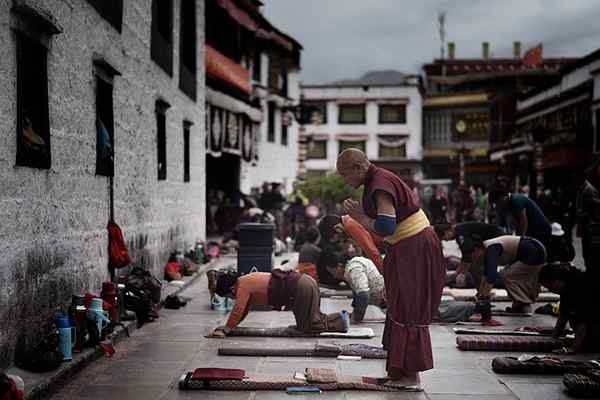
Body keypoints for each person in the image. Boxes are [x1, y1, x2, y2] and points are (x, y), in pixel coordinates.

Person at [336, 148, 445, 390]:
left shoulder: (380, 182)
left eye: (345, 174)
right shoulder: (376, 179)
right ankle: (399, 374)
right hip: (405, 246)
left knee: (409, 307)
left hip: (415, 246)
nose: (345, 180)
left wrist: (360, 217)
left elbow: (385, 225)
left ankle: (411, 377)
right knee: (398, 306)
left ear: (359, 167)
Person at [212, 270, 349, 337]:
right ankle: (340, 319)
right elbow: (243, 310)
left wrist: (227, 329)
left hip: (301, 287)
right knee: (309, 322)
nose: (232, 298)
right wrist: (230, 326)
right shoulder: (243, 281)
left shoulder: (242, 285)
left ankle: (341, 321)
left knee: (308, 326)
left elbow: (238, 308)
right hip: (303, 283)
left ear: (231, 289)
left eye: (229, 296)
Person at [473, 235, 547, 316]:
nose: (474, 258)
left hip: (535, 252)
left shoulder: (491, 248)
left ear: (478, 249)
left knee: (506, 276)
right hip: (532, 250)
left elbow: (491, 276)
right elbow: (486, 275)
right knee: (508, 274)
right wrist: (480, 294)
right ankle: (520, 303)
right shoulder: (488, 248)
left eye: (474, 255)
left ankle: (523, 303)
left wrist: (483, 299)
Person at [539, 263, 600, 353]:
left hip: (594, 320)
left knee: (588, 344)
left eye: (551, 287)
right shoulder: (567, 285)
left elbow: (582, 321)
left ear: (557, 281)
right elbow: (563, 314)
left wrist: (573, 348)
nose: (552, 291)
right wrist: (553, 337)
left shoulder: (580, 287)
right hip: (589, 320)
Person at [435, 222, 505, 288]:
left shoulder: (460, 233)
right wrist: (458, 272)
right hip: (491, 242)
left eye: (445, 237)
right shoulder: (459, 232)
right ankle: (482, 292)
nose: (446, 240)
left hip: (497, 239)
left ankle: (487, 291)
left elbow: (468, 255)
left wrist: (461, 273)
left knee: (483, 269)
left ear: (448, 231)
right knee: (477, 267)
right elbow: (467, 255)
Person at [490, 187, 552, 253]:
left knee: (538, 255)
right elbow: (517, 223)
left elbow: (523, 220)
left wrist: (521, 239)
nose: (498, 205)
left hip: (541, 229)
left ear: (503, 197)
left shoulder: (516, 200)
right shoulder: (509, 204)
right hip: (534, 230)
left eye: (497, 202)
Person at [318, 214, 384, 272]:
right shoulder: (350, 219)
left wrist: (385, 272)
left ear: (337, 228)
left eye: (339, 238)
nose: (342, 240)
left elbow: (371, 251)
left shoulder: (350, 225)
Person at [576, 159, 600, 273]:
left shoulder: (589, 190)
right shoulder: (582, 189)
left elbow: (595, 210)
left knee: (590, 255)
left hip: (590, 229)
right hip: (585, 228)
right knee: (586, 253)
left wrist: (583, 215)